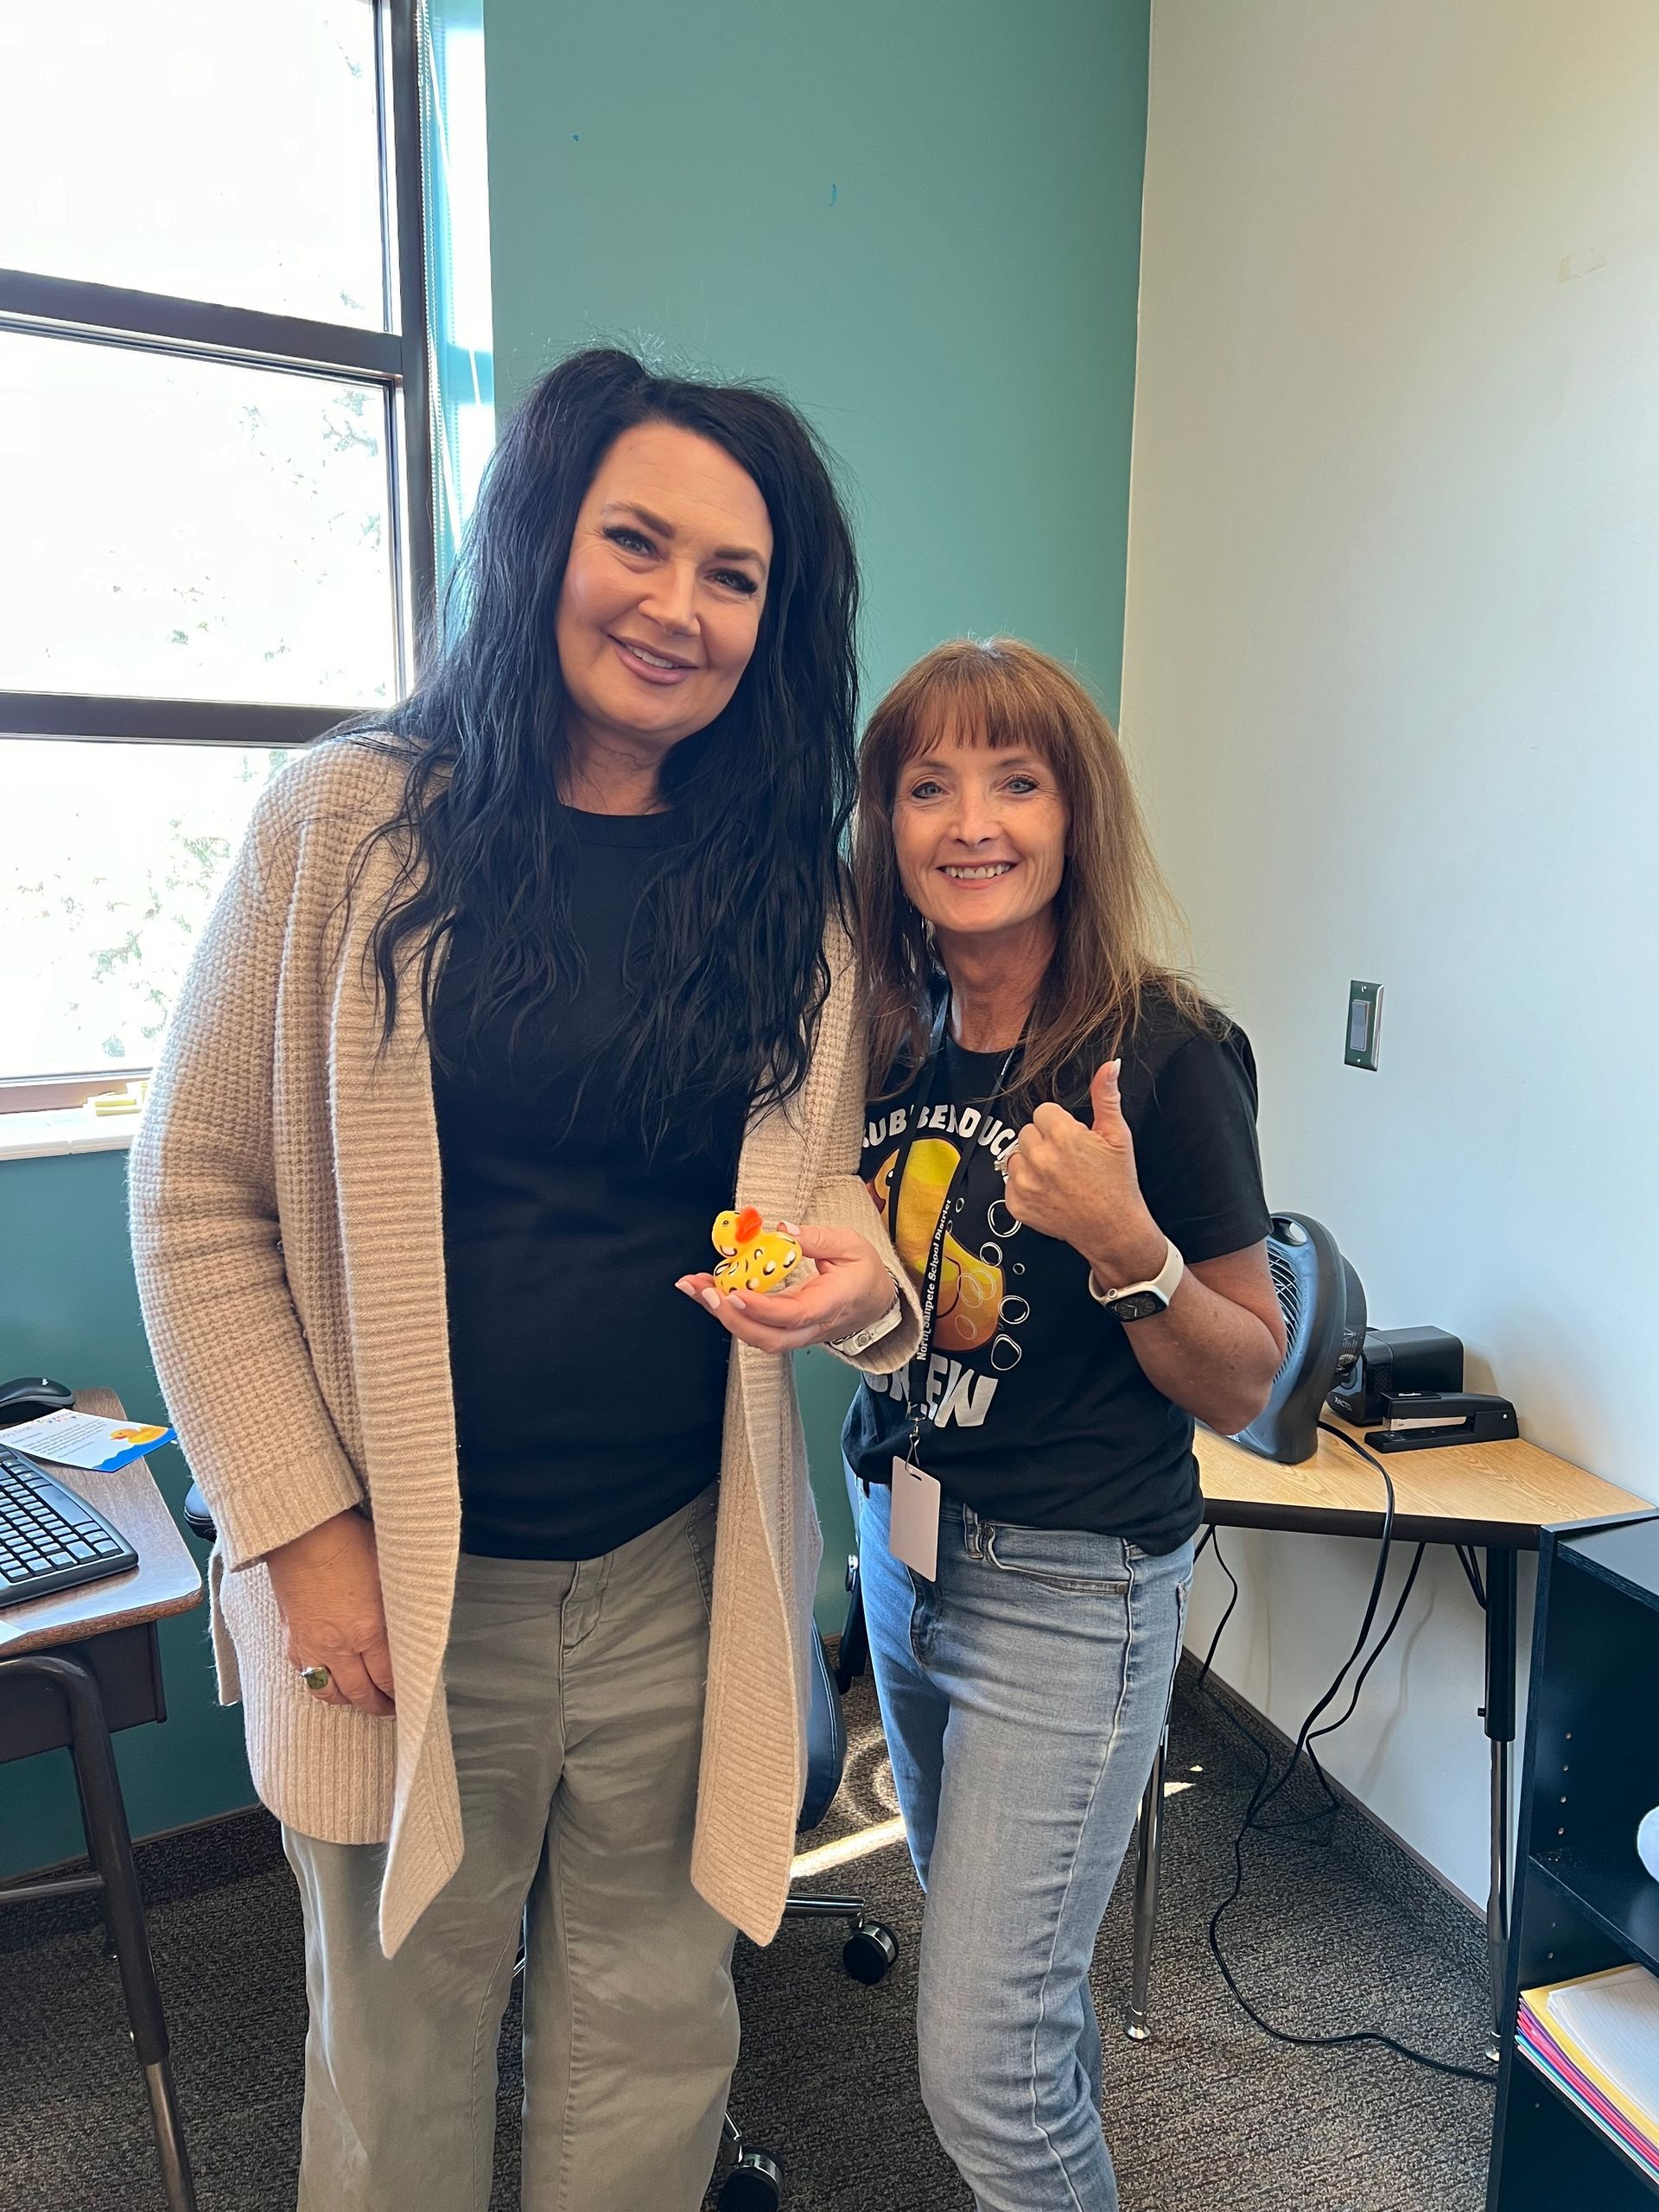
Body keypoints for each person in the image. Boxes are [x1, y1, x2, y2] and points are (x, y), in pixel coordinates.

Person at [129, 346, 918, 2212]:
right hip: (403, 1577)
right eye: (635, 540)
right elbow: (194, 1195)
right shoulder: (343, 826)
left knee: (655, 2031)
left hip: (681, 1571)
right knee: (399, 2048)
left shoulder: (781, 888)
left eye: (736, 576)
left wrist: (862, 1279)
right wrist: (299, 1531)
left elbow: (837, 1225)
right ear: (539, 539)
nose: (678, 605)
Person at [844, 638, 1286, 2212]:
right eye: (929, 785)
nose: (973, 822)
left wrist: (1127, 1245)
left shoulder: (1161, 1053)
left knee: (977, 2062)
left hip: (1069, 1585)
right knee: (1017, 1998)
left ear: (1074, 813)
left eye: (1015, 782)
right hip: (898, 1550)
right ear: (885, 825)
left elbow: (1245, 1375)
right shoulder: (880, 1029)